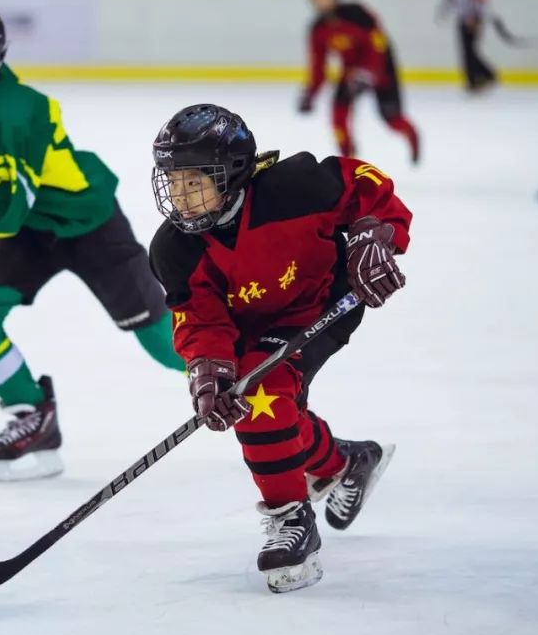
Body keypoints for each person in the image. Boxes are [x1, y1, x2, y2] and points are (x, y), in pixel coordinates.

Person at [0, 3, 183, 481]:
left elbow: (5, 210)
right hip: (37, 225)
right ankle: (33, 416)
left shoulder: (12, 115)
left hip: (90, 226)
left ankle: (255, 381)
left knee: (166, 347)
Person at [147, 104, 410, 593]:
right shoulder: (175, 248)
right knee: (267, 403)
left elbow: (367, 184)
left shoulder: (296, 189)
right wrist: (208, 370)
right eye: (173, 181)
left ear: (234, 175)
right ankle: (345, 464)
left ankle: (292, 520)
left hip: (321, 302)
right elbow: (201, 319)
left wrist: (378, 235)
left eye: (194, 181)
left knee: (262, 393)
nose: (180, 197)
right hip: (250, 327)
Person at [298, 0, 421, 165]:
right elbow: (318, 67)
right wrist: (310, 94)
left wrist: (369, 73)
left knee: (392, 119)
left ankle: (412, 135)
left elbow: (379, 46)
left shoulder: (358, 14)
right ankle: (349, 165)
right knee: (338, 116)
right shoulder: (317, 29)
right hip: (351, 72)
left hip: (382, 69)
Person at [439, 0, 497, 92]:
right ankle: (477, 78)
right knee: (465, 49)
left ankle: (483, 76)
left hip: (474, 17)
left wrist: (475, 16)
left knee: (470, 49)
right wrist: (445, 10)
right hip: (461, 16)